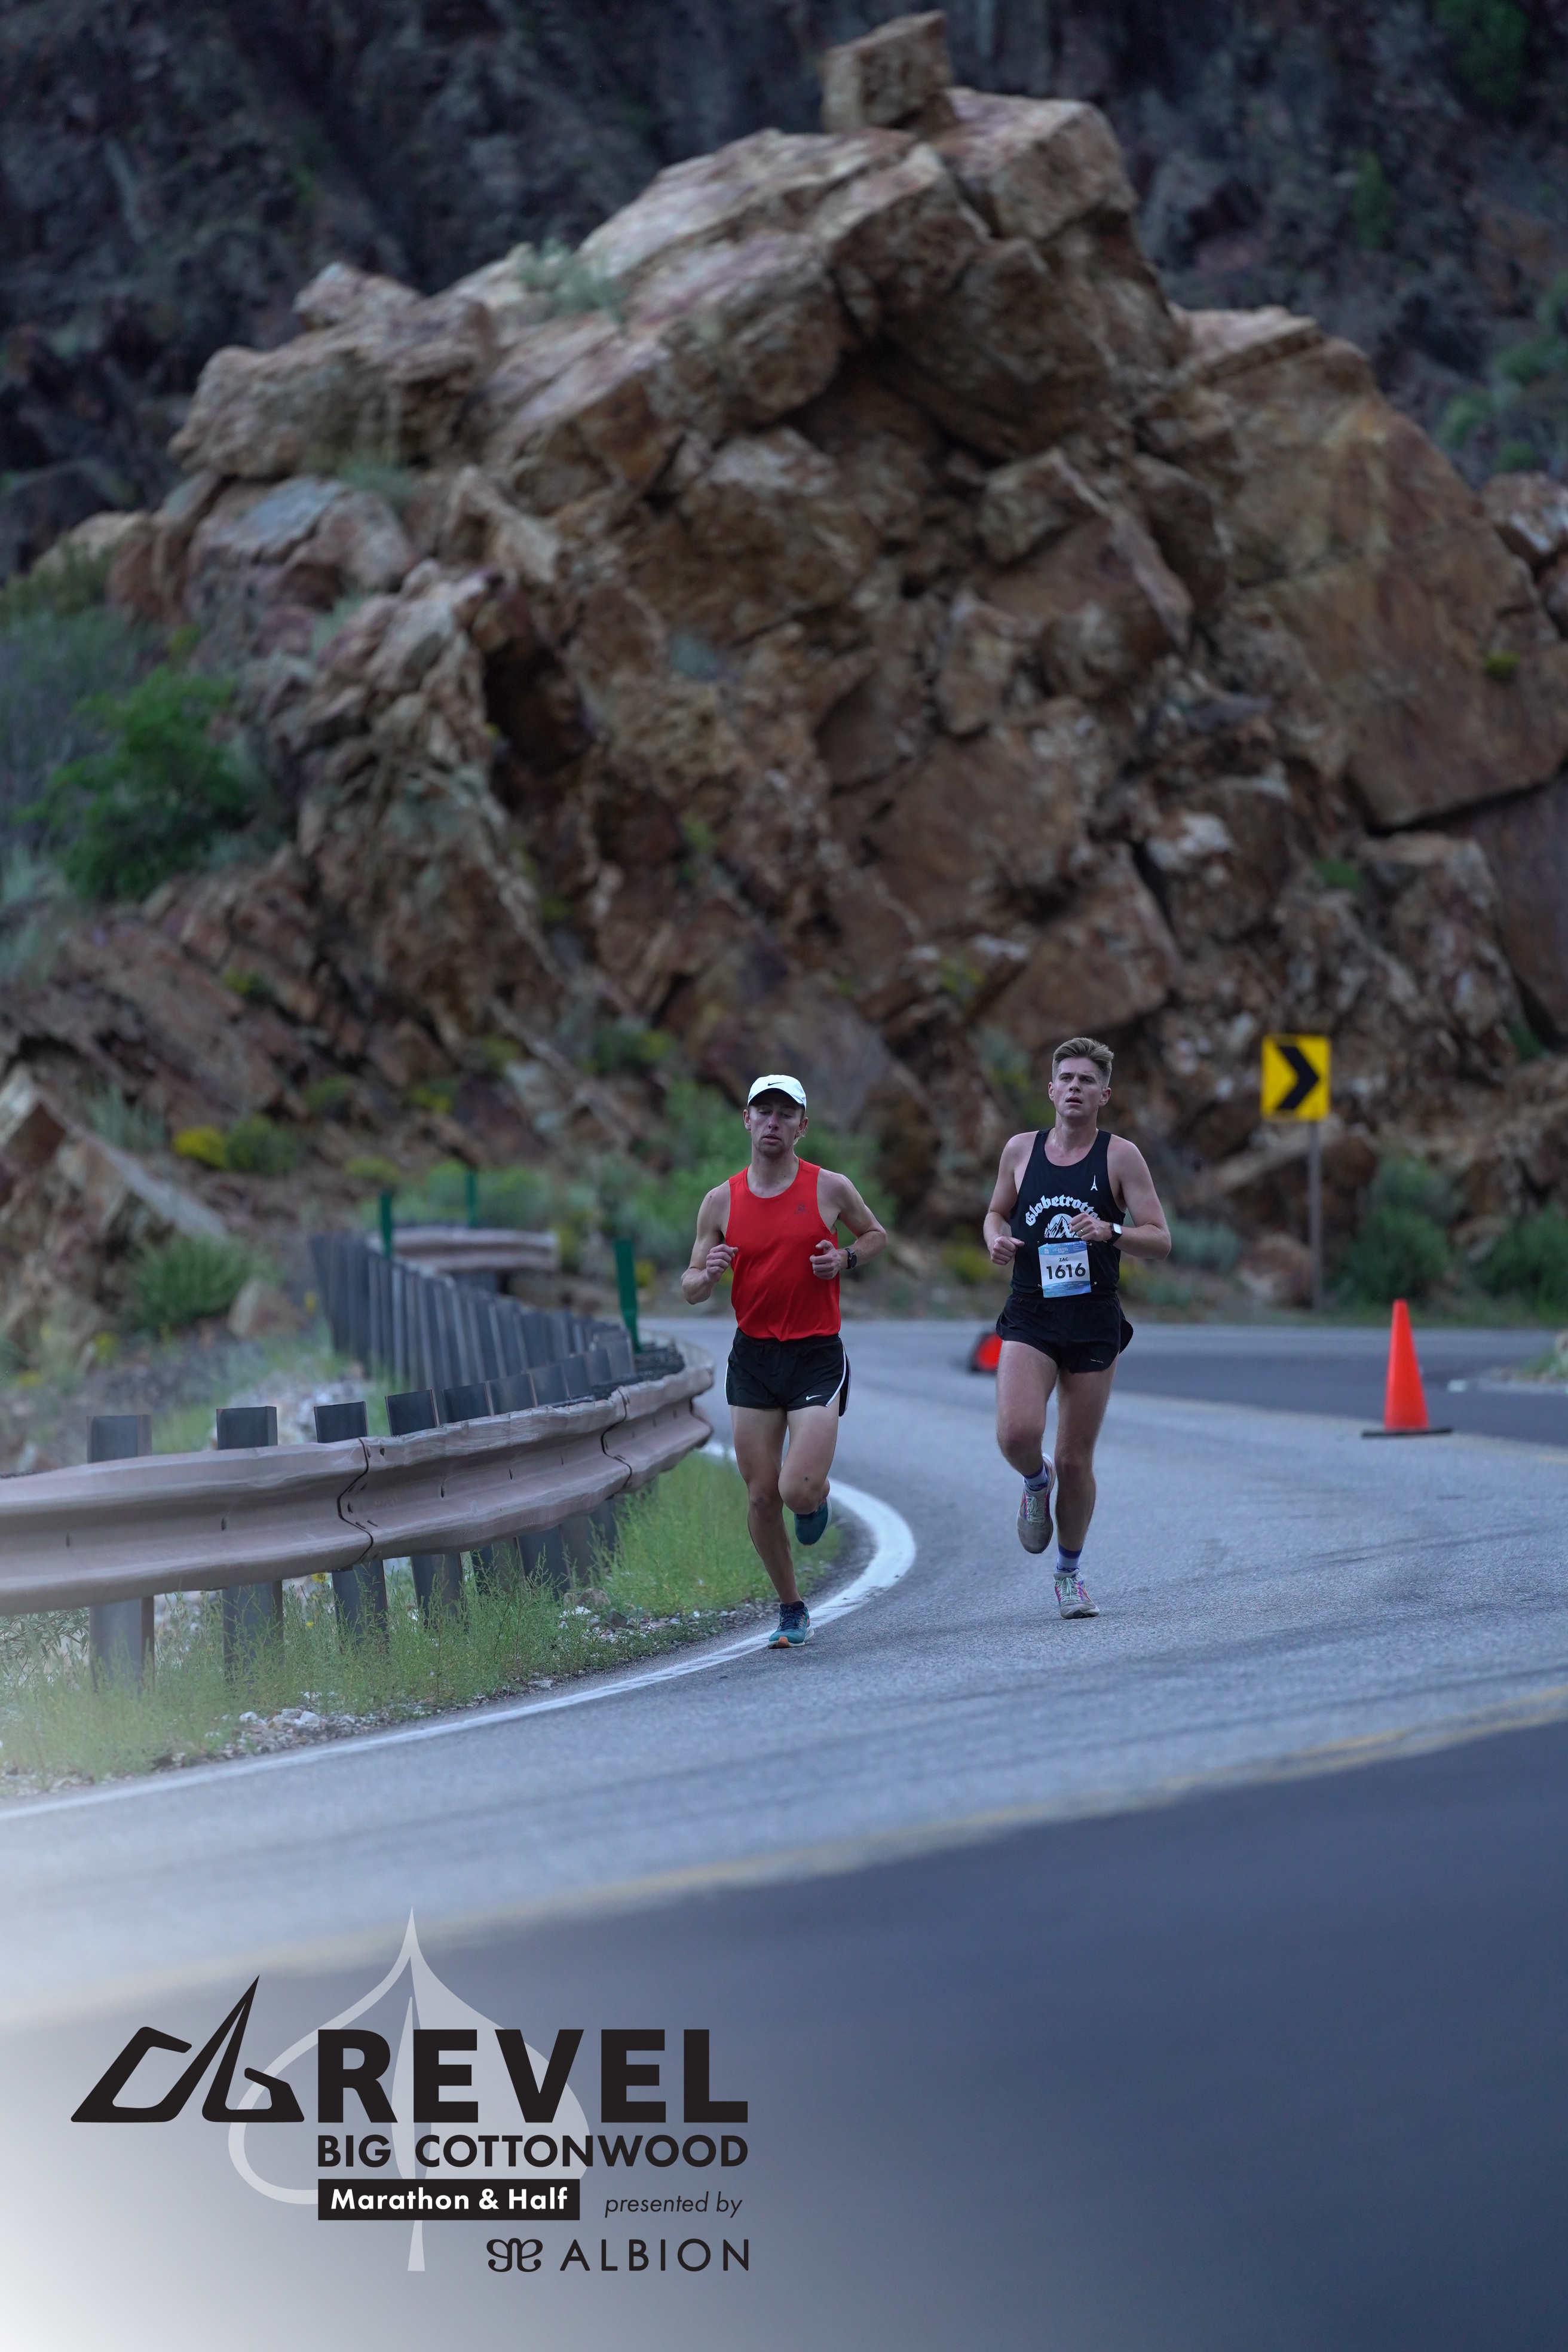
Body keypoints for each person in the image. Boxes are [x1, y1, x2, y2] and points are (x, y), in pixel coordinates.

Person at [682, 1074, 887, 1649]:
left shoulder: (830, 1188)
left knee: (796, 1489)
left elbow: (876, 1235)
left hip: (816, 1353)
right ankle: (792, 1608)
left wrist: (845, 1258)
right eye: (763, 1112)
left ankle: (814, 1496)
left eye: (785, 1113)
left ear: (802, 1126)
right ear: (747, 1121)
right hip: (753, 1357)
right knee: (760, 1495)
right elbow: (690, 1286)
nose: (773, 1122)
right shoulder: (721, 1200)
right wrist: (707, 1274)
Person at [983, 1036, 1171, 1619]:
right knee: (1017, 1434)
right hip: (1031, 1312)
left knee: (1075, 1460)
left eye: (1086, 1080)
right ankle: (1033, 1482)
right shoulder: (1020, 1150)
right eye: (1065, 1078)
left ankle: (1068, 1575)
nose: (1074, 1088)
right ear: (1050, 1089)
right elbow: (995, 1211)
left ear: (1103, 1096)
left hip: (1091, 1319)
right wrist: (995, 1239)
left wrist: (1112, 1233)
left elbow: (1160, 1239)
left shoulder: (1120, 1157)